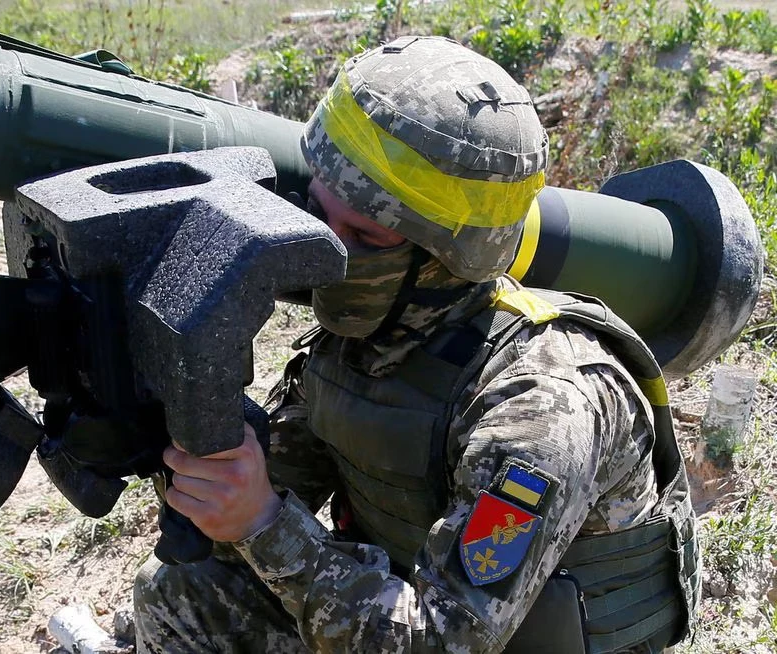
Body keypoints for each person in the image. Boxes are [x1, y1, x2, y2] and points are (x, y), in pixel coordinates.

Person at [132, 36, 699, 653]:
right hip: (418, 617)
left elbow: (442, 642)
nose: (326, 250)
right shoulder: (369, 337)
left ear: (443, 261)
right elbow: (264, 483)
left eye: (362, 235)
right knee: (179, 595)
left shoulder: (538, 408)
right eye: (316, 213)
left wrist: (264, 525)